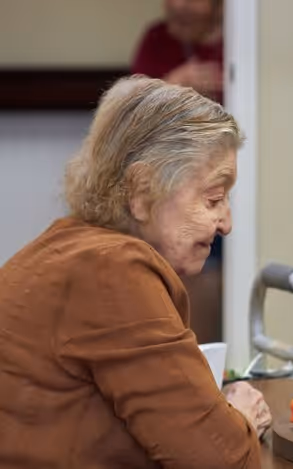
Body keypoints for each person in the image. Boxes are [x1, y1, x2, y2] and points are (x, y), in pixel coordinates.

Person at [0, 76, 270, 468]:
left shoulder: (62, 245)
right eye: (213, 198)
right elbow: (220, 460)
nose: (226, 223)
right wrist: (241, 418)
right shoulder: (113, 269)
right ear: (142, 190)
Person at [132, 0, 224, 104]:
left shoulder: (237, 45)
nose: (178, 4)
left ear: (219, 7)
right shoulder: (157, 36)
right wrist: (171, 87)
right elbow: (135, 105)